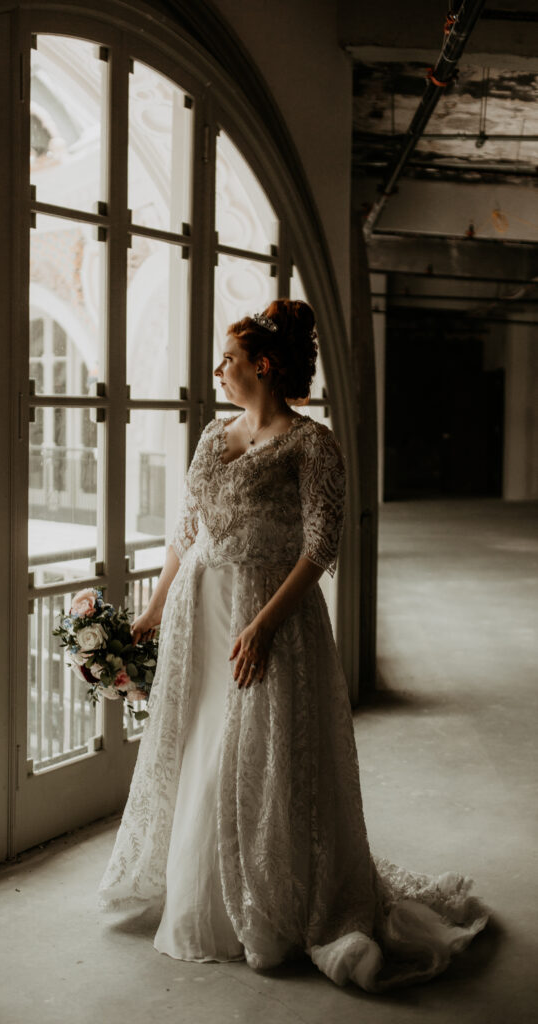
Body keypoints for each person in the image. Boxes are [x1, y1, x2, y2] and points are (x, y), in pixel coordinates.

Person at [98, 298, 488, 991]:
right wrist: (155, 608)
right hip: (200, 609)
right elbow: (184, 531)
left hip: (266, 614)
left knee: (258, 752)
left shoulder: (313, 444)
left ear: (263, 365)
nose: (217, 370)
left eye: (228, 360)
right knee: (200, 742)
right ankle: (206, 894)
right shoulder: (212, 436)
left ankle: (272, 903)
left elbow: (319, 547)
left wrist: (264, 625)